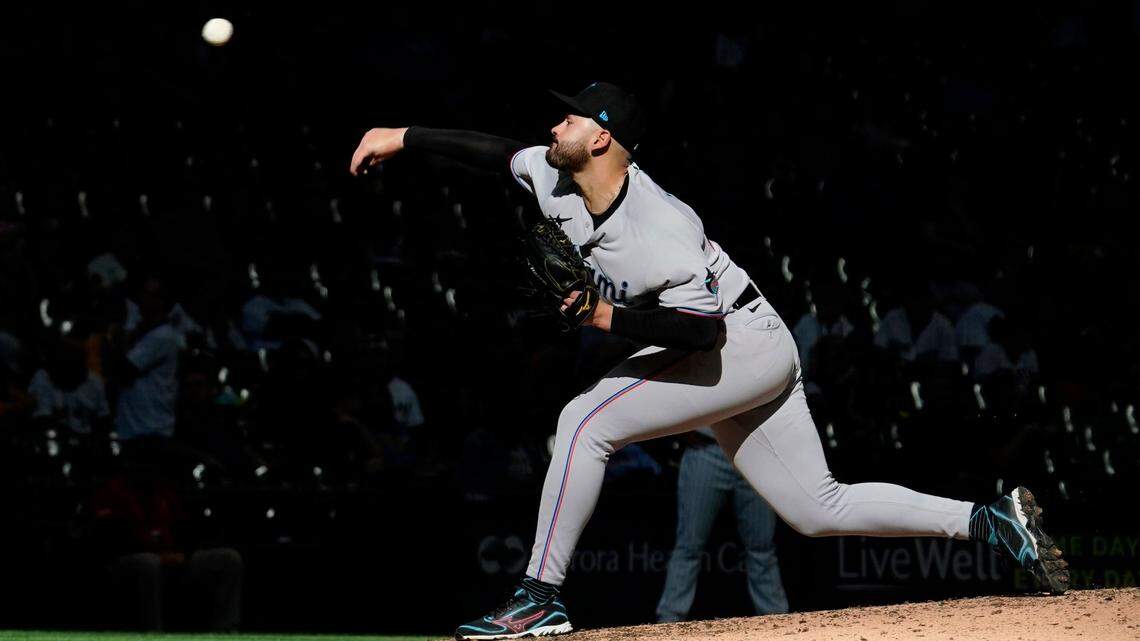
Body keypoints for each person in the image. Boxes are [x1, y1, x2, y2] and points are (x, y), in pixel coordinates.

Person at [349, 81, 1069, 640]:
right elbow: (490, 151)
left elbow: (698, 333)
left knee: (582, 421)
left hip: (737, 342)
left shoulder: (662, 226)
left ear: (603, 138)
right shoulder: (555, 177)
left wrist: (605, 317)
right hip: (751, 341)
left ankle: (538, 599)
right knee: (818, 507)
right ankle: (990, 521)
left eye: (571, 119)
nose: (554, 127)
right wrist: (401, 136)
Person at [656, 428, 787, 623]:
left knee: (762, 548)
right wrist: (681, 429)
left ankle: (777, 621)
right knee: (688, 547)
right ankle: (668, 621)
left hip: (754, 451)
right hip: (706, 447)